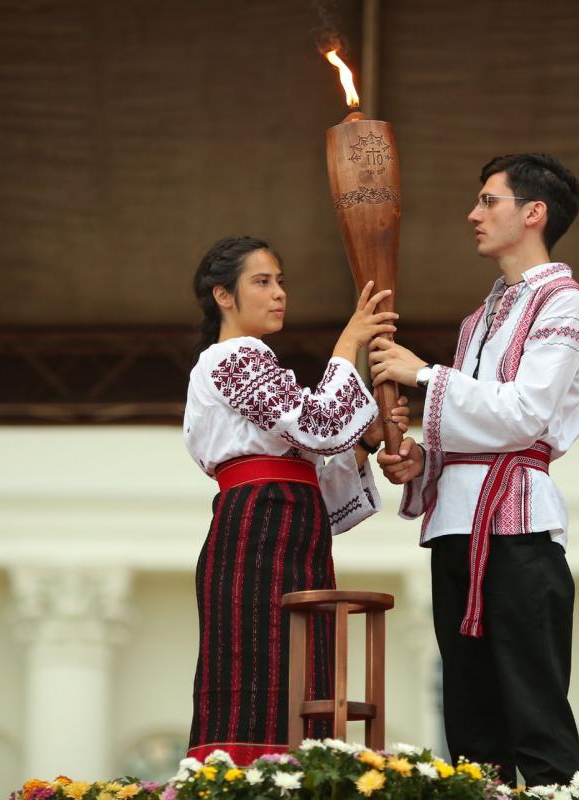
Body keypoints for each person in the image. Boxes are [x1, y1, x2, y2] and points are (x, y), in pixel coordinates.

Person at [369, 154, 579, 786]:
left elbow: (525, 415)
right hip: (456, 525)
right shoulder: (482, 315)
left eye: (488, 201)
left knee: (535, 708)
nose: (474, 214)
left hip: (518, 526)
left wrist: (421, 374)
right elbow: (476, 424)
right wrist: (419, 460)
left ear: (534, 213)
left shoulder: (566, 304)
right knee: (469, 721)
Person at [182, 235, 403, 763]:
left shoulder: (258, 364)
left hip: (290, 528)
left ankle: (306, 774)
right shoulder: (231, 358)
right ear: (223, 296)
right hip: (256, 531)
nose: (279, 293)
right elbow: (321, 422)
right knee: (255, 671)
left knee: (305, 670)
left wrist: (366, 440)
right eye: (262, 282)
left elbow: (317, 477)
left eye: (280, 281)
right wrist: (348, 344)